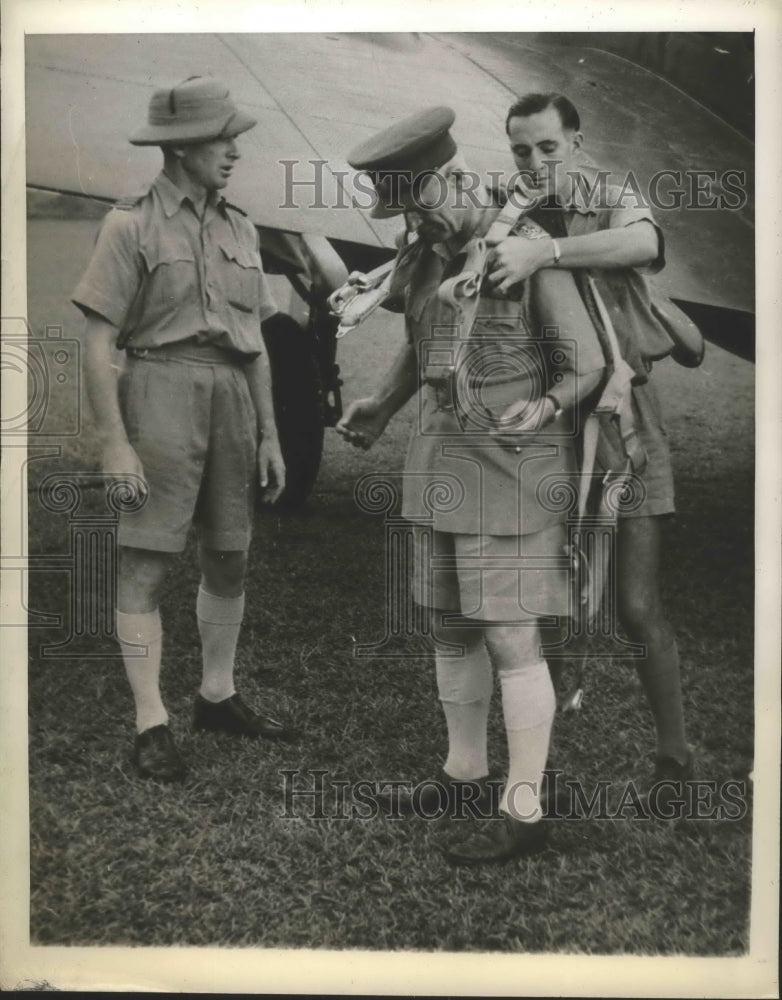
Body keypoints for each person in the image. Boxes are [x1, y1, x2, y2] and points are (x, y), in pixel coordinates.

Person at [337, 107, 605, 864]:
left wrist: (548, 405)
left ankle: (526, 812)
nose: (417, 218)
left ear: (454, 176)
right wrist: (381, 407)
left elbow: (588, 361)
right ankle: (462, 773)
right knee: (451, 624)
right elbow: (421, 344)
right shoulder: (424, 252)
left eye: (422, 200)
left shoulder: (520, 250)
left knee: (511, 636)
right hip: (440, 460)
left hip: (512, 469)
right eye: (405, 210)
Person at [72, 76, 292, 783]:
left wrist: (270, 434)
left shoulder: (241, 226)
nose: (234, 151)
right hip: (160, 390)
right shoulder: (130, 223)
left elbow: (253, 339)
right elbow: (99, 344)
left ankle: (217, 696)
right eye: (223, 138)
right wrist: (115, 441)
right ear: (182, 146)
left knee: (231, 553)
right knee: (148, 560)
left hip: (232, 394)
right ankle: (151, 722)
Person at [488, 92, 693, 792]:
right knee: (541, 600)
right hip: (544, 424)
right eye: (521, 149)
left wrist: (543, 249)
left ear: (576, 142)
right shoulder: (506, 208)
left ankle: (674, 759)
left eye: (548, 147)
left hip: (622, 420)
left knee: (635, 607)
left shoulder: (610, 195)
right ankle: (532, 773)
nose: (535, 161)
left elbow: (646, 244)